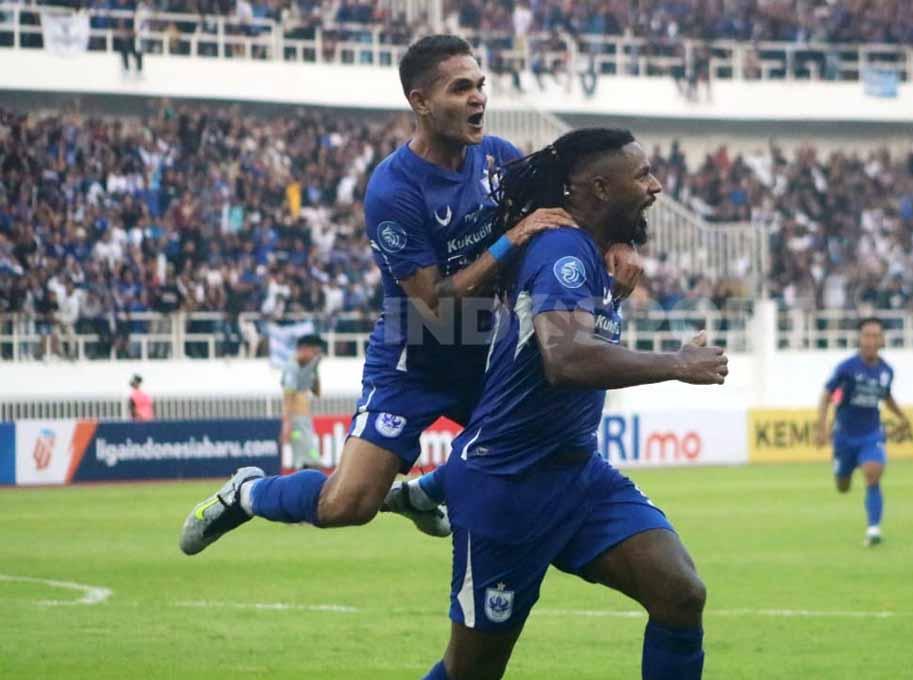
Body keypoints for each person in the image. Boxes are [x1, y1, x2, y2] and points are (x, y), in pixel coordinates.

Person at [178, 35, 642, 555]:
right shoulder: (392, 189)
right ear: (420, 102)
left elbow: (574, 203)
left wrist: (619, 240)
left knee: (542, 445)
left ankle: (427, 492)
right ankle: (248, 493)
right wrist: (511, 238)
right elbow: (435, 303)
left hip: (485, 351)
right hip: (414, 358)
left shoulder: (499, 158)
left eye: (480, 85)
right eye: (460, 87)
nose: (478, 98)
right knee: (347, 505)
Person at [421, 128, 727, 680]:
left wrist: (614, 290)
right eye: (643, 176)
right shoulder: (562, 250)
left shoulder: (587, 251)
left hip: (577, 476)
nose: (657, 186)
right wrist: (676, 364)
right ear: (601, 188)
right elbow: (566, 360)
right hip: (506, 486)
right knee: (471, 672)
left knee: (680, 593)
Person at [814, 317, 912, 547]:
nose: (871, 340)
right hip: (844, 436)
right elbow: (827, 395)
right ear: (859, 339)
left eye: (875, 335)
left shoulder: (887, 371)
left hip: (871, 434)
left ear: (882, 340)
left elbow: (886, 397)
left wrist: (902, 417)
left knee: (873, 473)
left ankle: (874, 529)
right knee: (843, 485)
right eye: (866, 335)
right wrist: (820, 427)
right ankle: (841, 470)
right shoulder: (846, 368)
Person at [281, 334, 324, 470]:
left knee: (307, 457)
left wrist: (315, 369)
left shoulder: (305, 367)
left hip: (305, 419)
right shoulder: (291, 367)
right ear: (304, 349)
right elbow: (288, 397)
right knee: (308, 458)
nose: (315, 356)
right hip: (296, 421)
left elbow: (316, 393)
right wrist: (287, 424)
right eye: (314, 352)